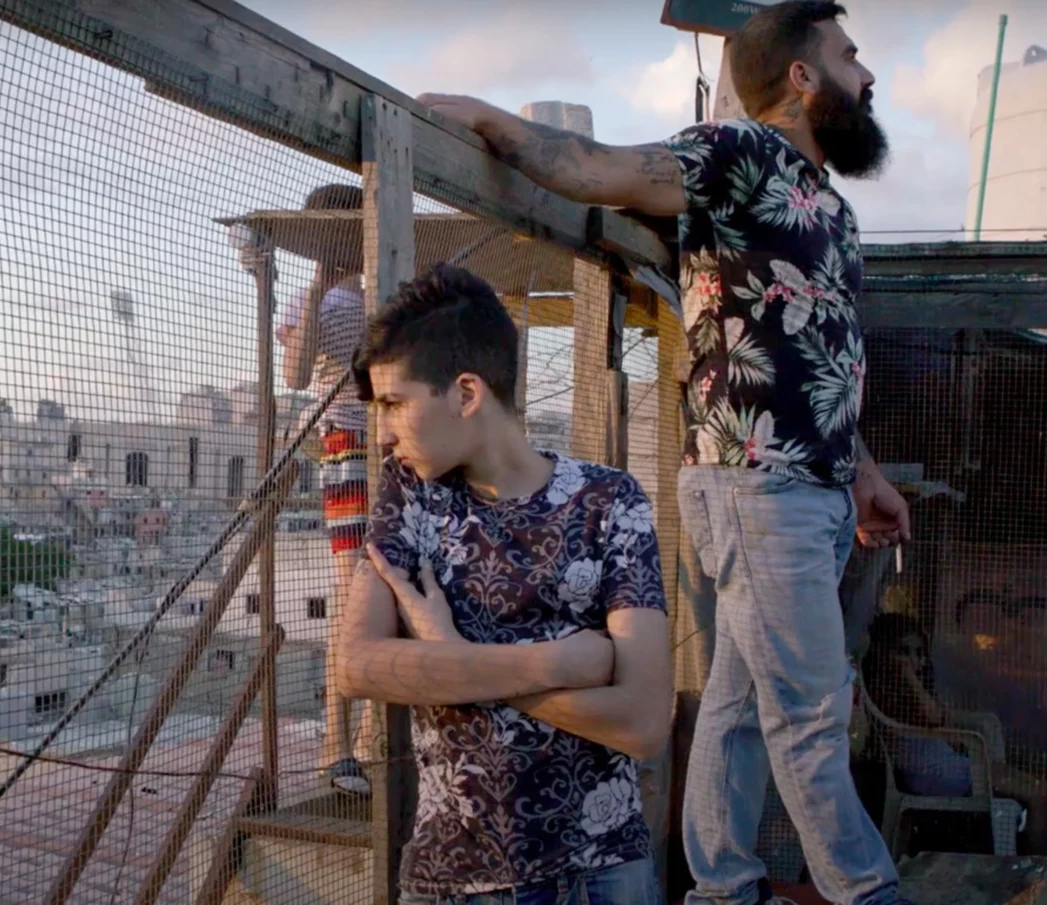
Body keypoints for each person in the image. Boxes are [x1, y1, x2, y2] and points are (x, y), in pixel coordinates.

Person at [417, 3, 914, 904]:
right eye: (849, 56)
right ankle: (866, 890)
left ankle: (720, 885)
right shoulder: (737, 153)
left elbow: (818, 361)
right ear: (801, 77)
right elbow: (601, 169)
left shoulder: (829, 210)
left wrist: (865, 474)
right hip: (755, 485)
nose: (867, 73)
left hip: (813, 489)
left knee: (738, 704)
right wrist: (492, 119)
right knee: (809, 710)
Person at [338, 263, 670, 905]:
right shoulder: (411, 493)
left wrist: (450, 653)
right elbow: (357, 665)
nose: (382, 433)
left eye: (394, 403)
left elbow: (644, 721)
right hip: (452, 879)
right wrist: (558, 663)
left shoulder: (609, 501)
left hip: (601, 875)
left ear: (466, 393)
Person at [276, 182, 373, 795]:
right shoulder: (313, 298)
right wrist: (317, 282)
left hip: (393, 447)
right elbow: (293, 372)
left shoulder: (384, 290)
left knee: (385, 582)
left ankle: (364, 739)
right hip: (347, 445)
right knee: (353, 587)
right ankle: (337, 742)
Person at [862, 613, 1047, 849]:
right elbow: (934, 717)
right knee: (1037, 795)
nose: (913, 660)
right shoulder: (884, 689)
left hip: (949, 764)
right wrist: (909, 675)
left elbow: (941, 720)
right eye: (903, 652)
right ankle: (1034, 860)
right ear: (886, 654)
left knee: (1038, 789)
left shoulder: (906, 689)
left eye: (918, 653)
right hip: (936, 774)